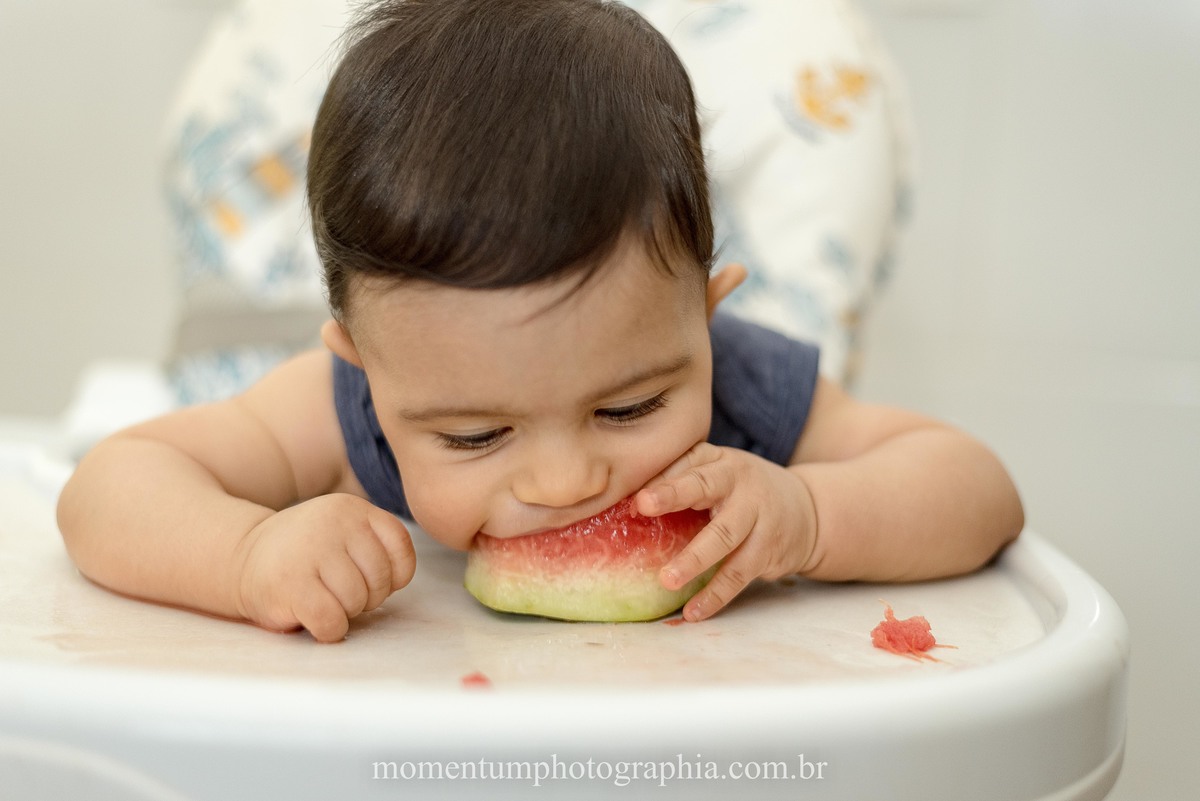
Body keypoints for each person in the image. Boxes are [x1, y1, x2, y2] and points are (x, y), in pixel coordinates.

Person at [57, 0, 1022, 643]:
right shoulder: (338, 411)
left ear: (705, 314)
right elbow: (109, 489)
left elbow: (978, 490)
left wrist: (812, 516)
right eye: (475, 433)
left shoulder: (747, 385)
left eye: (633, 405)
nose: (566, 480)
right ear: (367, 370)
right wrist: (247, 557)